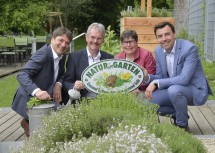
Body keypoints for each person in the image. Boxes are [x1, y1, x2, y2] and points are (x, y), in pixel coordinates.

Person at [144, 21, 213, 131]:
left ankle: (182, 125)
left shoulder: (190, 49)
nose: (164, 39)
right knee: (146, 103)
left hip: (194, 89)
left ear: (174, 34)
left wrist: (156, 83)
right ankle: (178, 113)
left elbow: (184, 79)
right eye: (160, 36)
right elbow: (161, 76)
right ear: (157, 38)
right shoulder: (158, 50)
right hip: (173, 88)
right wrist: (147, 77)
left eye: (167, 34)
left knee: (174, 90)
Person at [11, 27, 73, 137]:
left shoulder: (61, 55)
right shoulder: (43, 54)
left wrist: (58, 85)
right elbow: (22, 75)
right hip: (29, 97)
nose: (63, 45)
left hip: (47, 96)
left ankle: (26, 121)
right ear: (52, 39)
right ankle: (27, 121)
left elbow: (62, 74)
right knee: (39, 135)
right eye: (60, 40)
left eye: (67, 43)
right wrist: (37, 91)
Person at [63, 22, 114, 100]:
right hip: (81, 101)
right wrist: (74, 85)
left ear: (103, 40)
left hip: (103, 101)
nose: (95, 41)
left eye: (99, 38)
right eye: (92, 37)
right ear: (86, 37)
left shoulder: (109, 58)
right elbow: (66, 82)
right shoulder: (74, 57)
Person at [115, 29, 156, 95]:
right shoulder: (117, 58)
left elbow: (152, 78)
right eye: (125, 42)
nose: (128, 45)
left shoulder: (146, 55)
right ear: (122, 44)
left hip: (143, 91)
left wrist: (135, 87)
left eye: (131, 42)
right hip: (123, 92)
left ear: (137, 42)